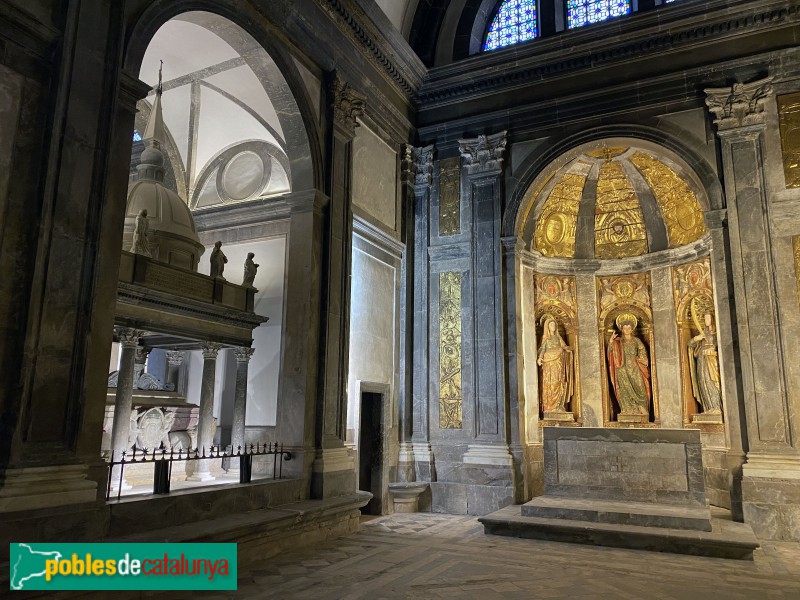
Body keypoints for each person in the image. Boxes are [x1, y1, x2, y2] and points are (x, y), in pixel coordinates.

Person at [607, 313, 651, 417]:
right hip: (622, 369)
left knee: (641, 388)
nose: (627, 330)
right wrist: (611, 342)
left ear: (632, 329)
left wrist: (641, 359)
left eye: (629, 328)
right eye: (624, 328)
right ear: (621, 329)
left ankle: (642, 410)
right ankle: (628, 410)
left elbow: (643, 353)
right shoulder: (618, 341)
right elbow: (611, 353)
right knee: (624, 390)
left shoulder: (636, 340)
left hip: (635, 368)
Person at [537, 317, 573, 413]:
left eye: (554, 325)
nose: (553, 326)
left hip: (559, 364)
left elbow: (564, 347)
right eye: (551, 325)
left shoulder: (558, 338)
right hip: (549, 365)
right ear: (547, 327)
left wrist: (568, 349)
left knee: (559, 382)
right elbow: (542, 350)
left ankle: (558, 405)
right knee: (550, 383)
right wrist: (540, 358)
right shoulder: (546, 338)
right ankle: (550, 406)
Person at [689, 312, 722, 414]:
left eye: (708, 318)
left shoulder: (716, 334)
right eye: (705, 319)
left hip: (711, 362)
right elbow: (689, 344)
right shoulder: (702, 334)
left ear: (713, 319)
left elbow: (721, 349)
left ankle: (717, 407)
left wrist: (712, 352)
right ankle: (708, 407)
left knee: (711, 382)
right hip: (701, 361)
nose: (706, 321)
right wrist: (696, 338)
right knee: (702, 382)